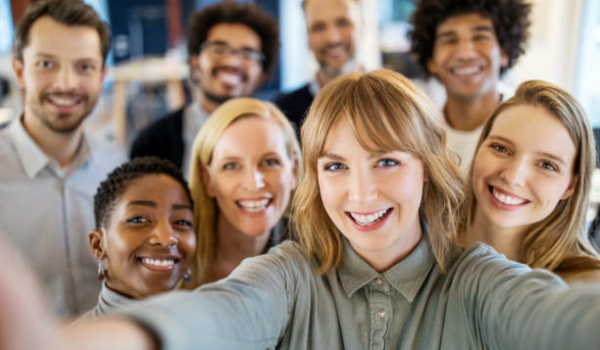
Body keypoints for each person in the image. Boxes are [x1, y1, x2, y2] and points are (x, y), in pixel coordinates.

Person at [58, 70, 600, 350]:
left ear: (429, 167)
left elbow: (557, 318)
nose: (360, 194)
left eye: (385, 161)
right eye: (336, 166)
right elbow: (218, 314)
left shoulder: (479, 279)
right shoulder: (290, 274)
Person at [0, 0, 126, 316]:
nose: (66, 84)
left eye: (84, 66)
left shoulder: (120, 168)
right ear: (19, 71)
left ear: (102, 75)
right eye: (46, 64)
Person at [459, 80, 600, 284]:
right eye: (501, 148)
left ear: (571, 186)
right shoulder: (423, 240)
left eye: (547, 165)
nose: (513, 176)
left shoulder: (586, 287)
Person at [130, 1, 279, 175]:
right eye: (219, 49)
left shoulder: (280, 140)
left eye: (247, 53)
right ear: (195, 63)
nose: (231, 61)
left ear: (263, 75)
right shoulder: (152, 143)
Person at [187, 97, 299, 287]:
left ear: (293, 171)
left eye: (270, 162)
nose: (253, 184)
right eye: (231, 166)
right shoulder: (176, 257)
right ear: (207, 179)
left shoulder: (317, 258)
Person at [410, 0, 531, 172]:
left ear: (504, 52)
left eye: (480, 37)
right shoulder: (416, 137)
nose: (465, 53)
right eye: (449, 40)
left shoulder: (530, 131)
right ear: (431, 61)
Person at [84, 157, 196, 317]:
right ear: (98, 245)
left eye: (181, 221)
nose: (166, 238)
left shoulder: (217, 333)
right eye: (138, 220)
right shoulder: (66, 341)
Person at [274, 0, 362, 134]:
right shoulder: (282, 114)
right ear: (307, 36)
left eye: (343, 23)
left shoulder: (394, 101)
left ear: (362, 27)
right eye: (318, 27)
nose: (333, 39)